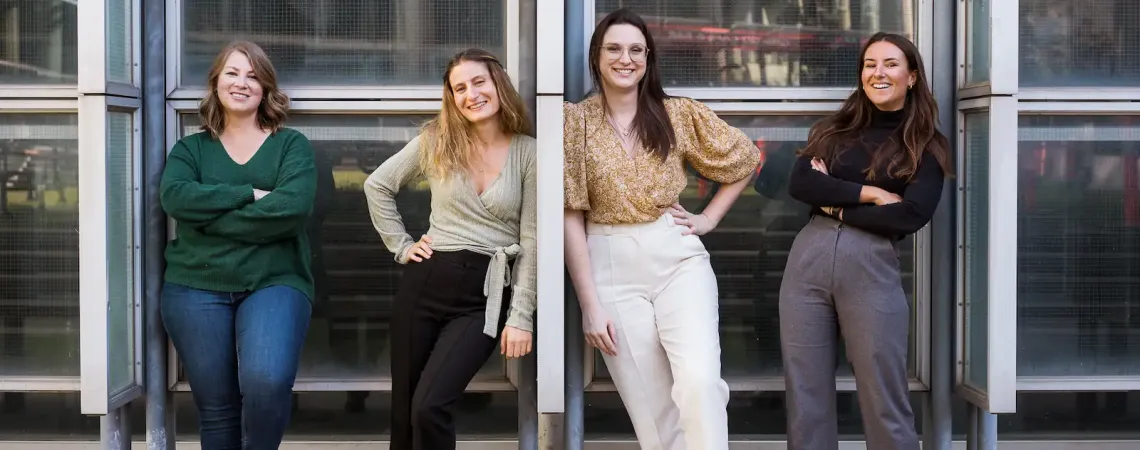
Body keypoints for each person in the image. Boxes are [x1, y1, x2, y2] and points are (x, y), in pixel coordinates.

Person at [563, 8, 762, 450]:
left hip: (676, 257)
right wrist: (589, 303)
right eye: (614, 48)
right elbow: (569, 215)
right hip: (608, 262)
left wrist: (708, 217)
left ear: (648, 58)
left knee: (700, 382)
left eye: (636, 49)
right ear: (597, 56)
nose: (625, 58)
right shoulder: (573, 122)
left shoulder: (677, 114)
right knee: (653, 409)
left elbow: (745, 159)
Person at [780, 32, 953, 450]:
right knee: (806, 398)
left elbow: (911, 214)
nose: (878, 73)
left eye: (891, 64)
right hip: (808, 263)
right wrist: (871, 194)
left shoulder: (925, 146)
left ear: (911, 76)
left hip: (872, 268)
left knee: (884, 397)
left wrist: (835, 200)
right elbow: (801, 183)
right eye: (870, 64)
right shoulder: (834, 130)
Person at [363, 48, 536, 450]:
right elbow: (377, 185)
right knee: (405, 411)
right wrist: (402, 246)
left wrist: (521, 315)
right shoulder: (437, 141)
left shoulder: (527, 152)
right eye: (459, 88)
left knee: (429, 406)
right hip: (425, 285)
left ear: (498, 84)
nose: (470, 94)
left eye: (478, 82)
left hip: (484, 297)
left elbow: (533, 241)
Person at [158, 40, 316, 450]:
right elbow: (176, 199)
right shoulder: (190, 149)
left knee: (267, 381)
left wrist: (208, 220)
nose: (242, 83)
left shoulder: (290, 145)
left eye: (253, 75)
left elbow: (292, 209)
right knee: (218, 409)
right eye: (232, 73)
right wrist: (251, 193)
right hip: (195, 285)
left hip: (274, 280)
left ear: (266, 87)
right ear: (216, 82)